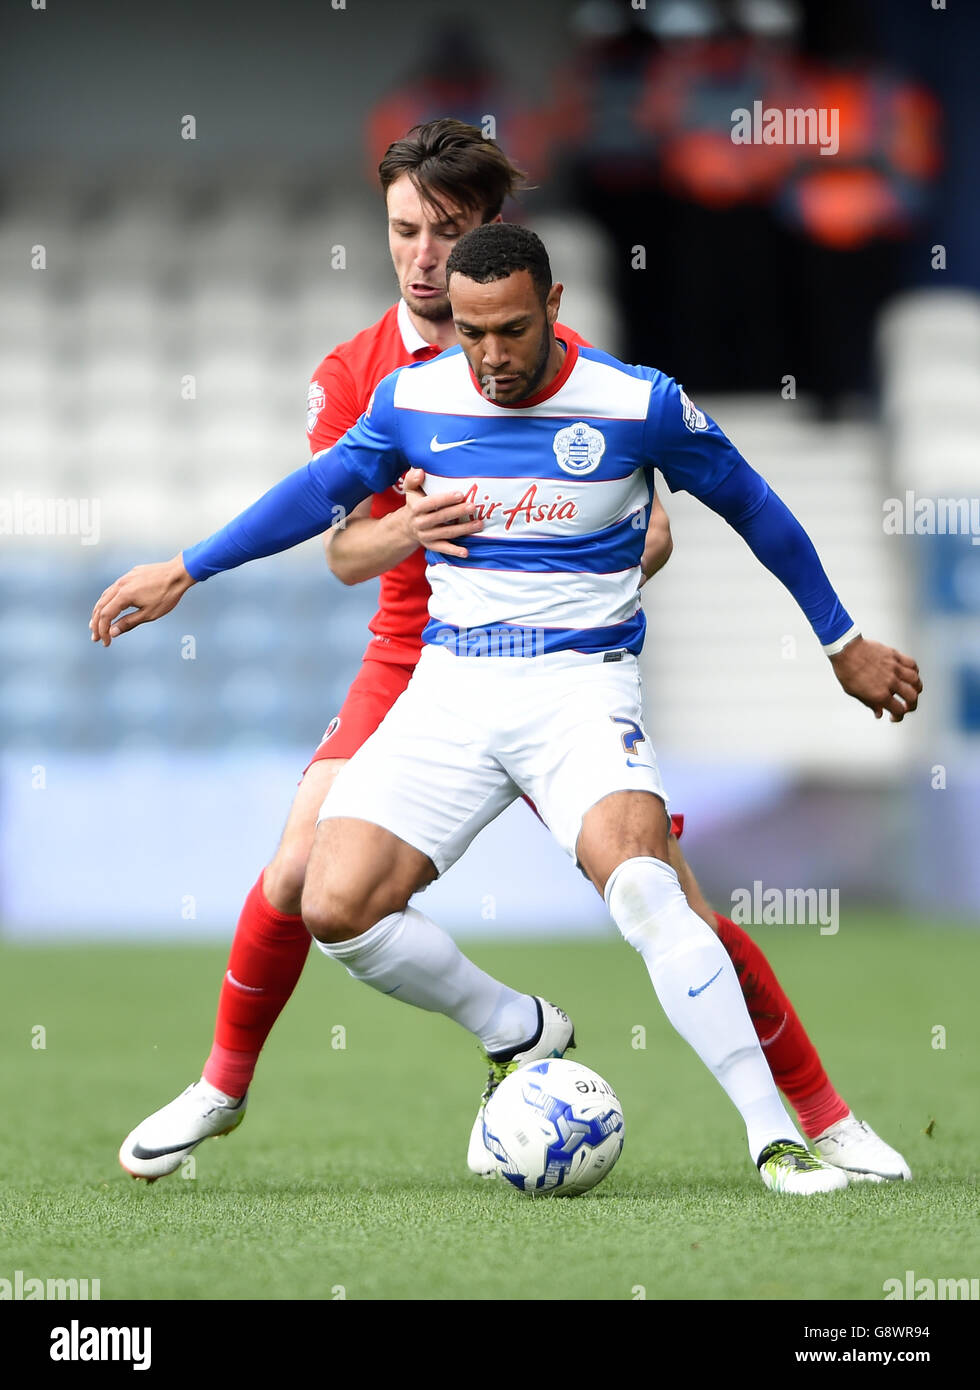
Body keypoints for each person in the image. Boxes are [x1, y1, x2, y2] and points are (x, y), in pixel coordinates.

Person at [91, 221, 922, 1194]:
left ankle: (775, 1137)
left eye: (509, 331)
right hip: (449, 691)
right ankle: (514, 1027)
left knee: (649, 889)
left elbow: (755, 508)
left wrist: (839, 641)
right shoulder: (412, 398)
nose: (487, 355)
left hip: (579, 688)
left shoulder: (635, 402)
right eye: (468, 330)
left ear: (554, 306)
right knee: (332, 900)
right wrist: (187, 567)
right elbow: (319, 494)